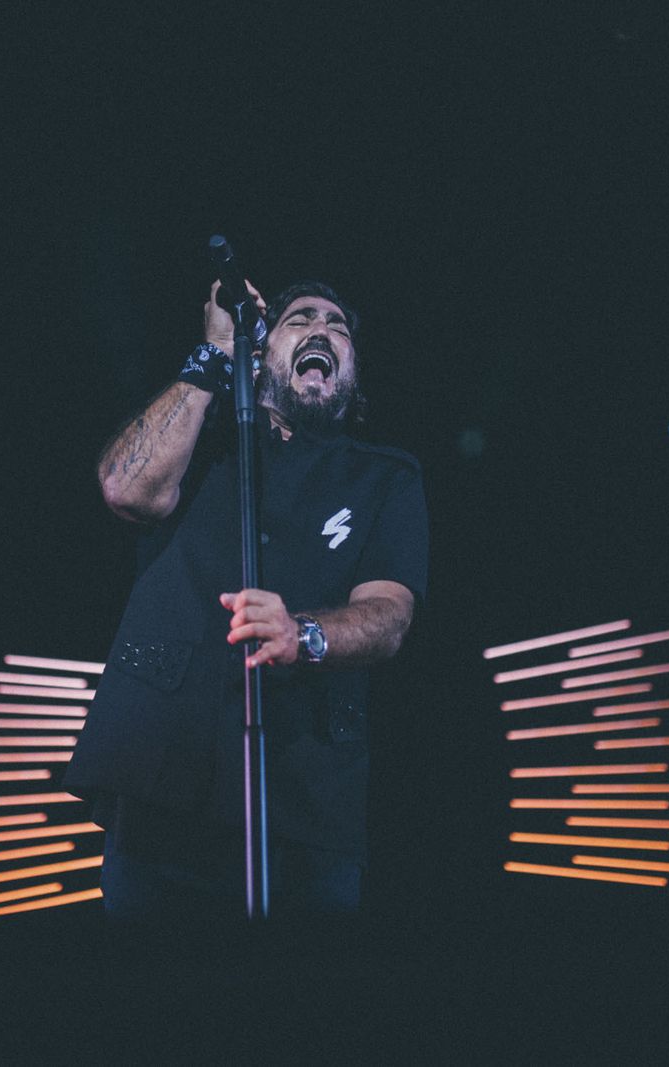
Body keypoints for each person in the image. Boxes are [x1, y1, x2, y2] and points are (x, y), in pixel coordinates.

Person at [63, 277, 429, 921]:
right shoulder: (201, 443)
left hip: (303, 801)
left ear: (354, 371)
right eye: (300, 319)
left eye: (337, 326)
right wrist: (214, 356)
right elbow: (124, 489)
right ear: (262, 358)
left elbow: (391, 614)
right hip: (165, 783)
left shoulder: (384, 477)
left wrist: (304, 634)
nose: (321, 329)